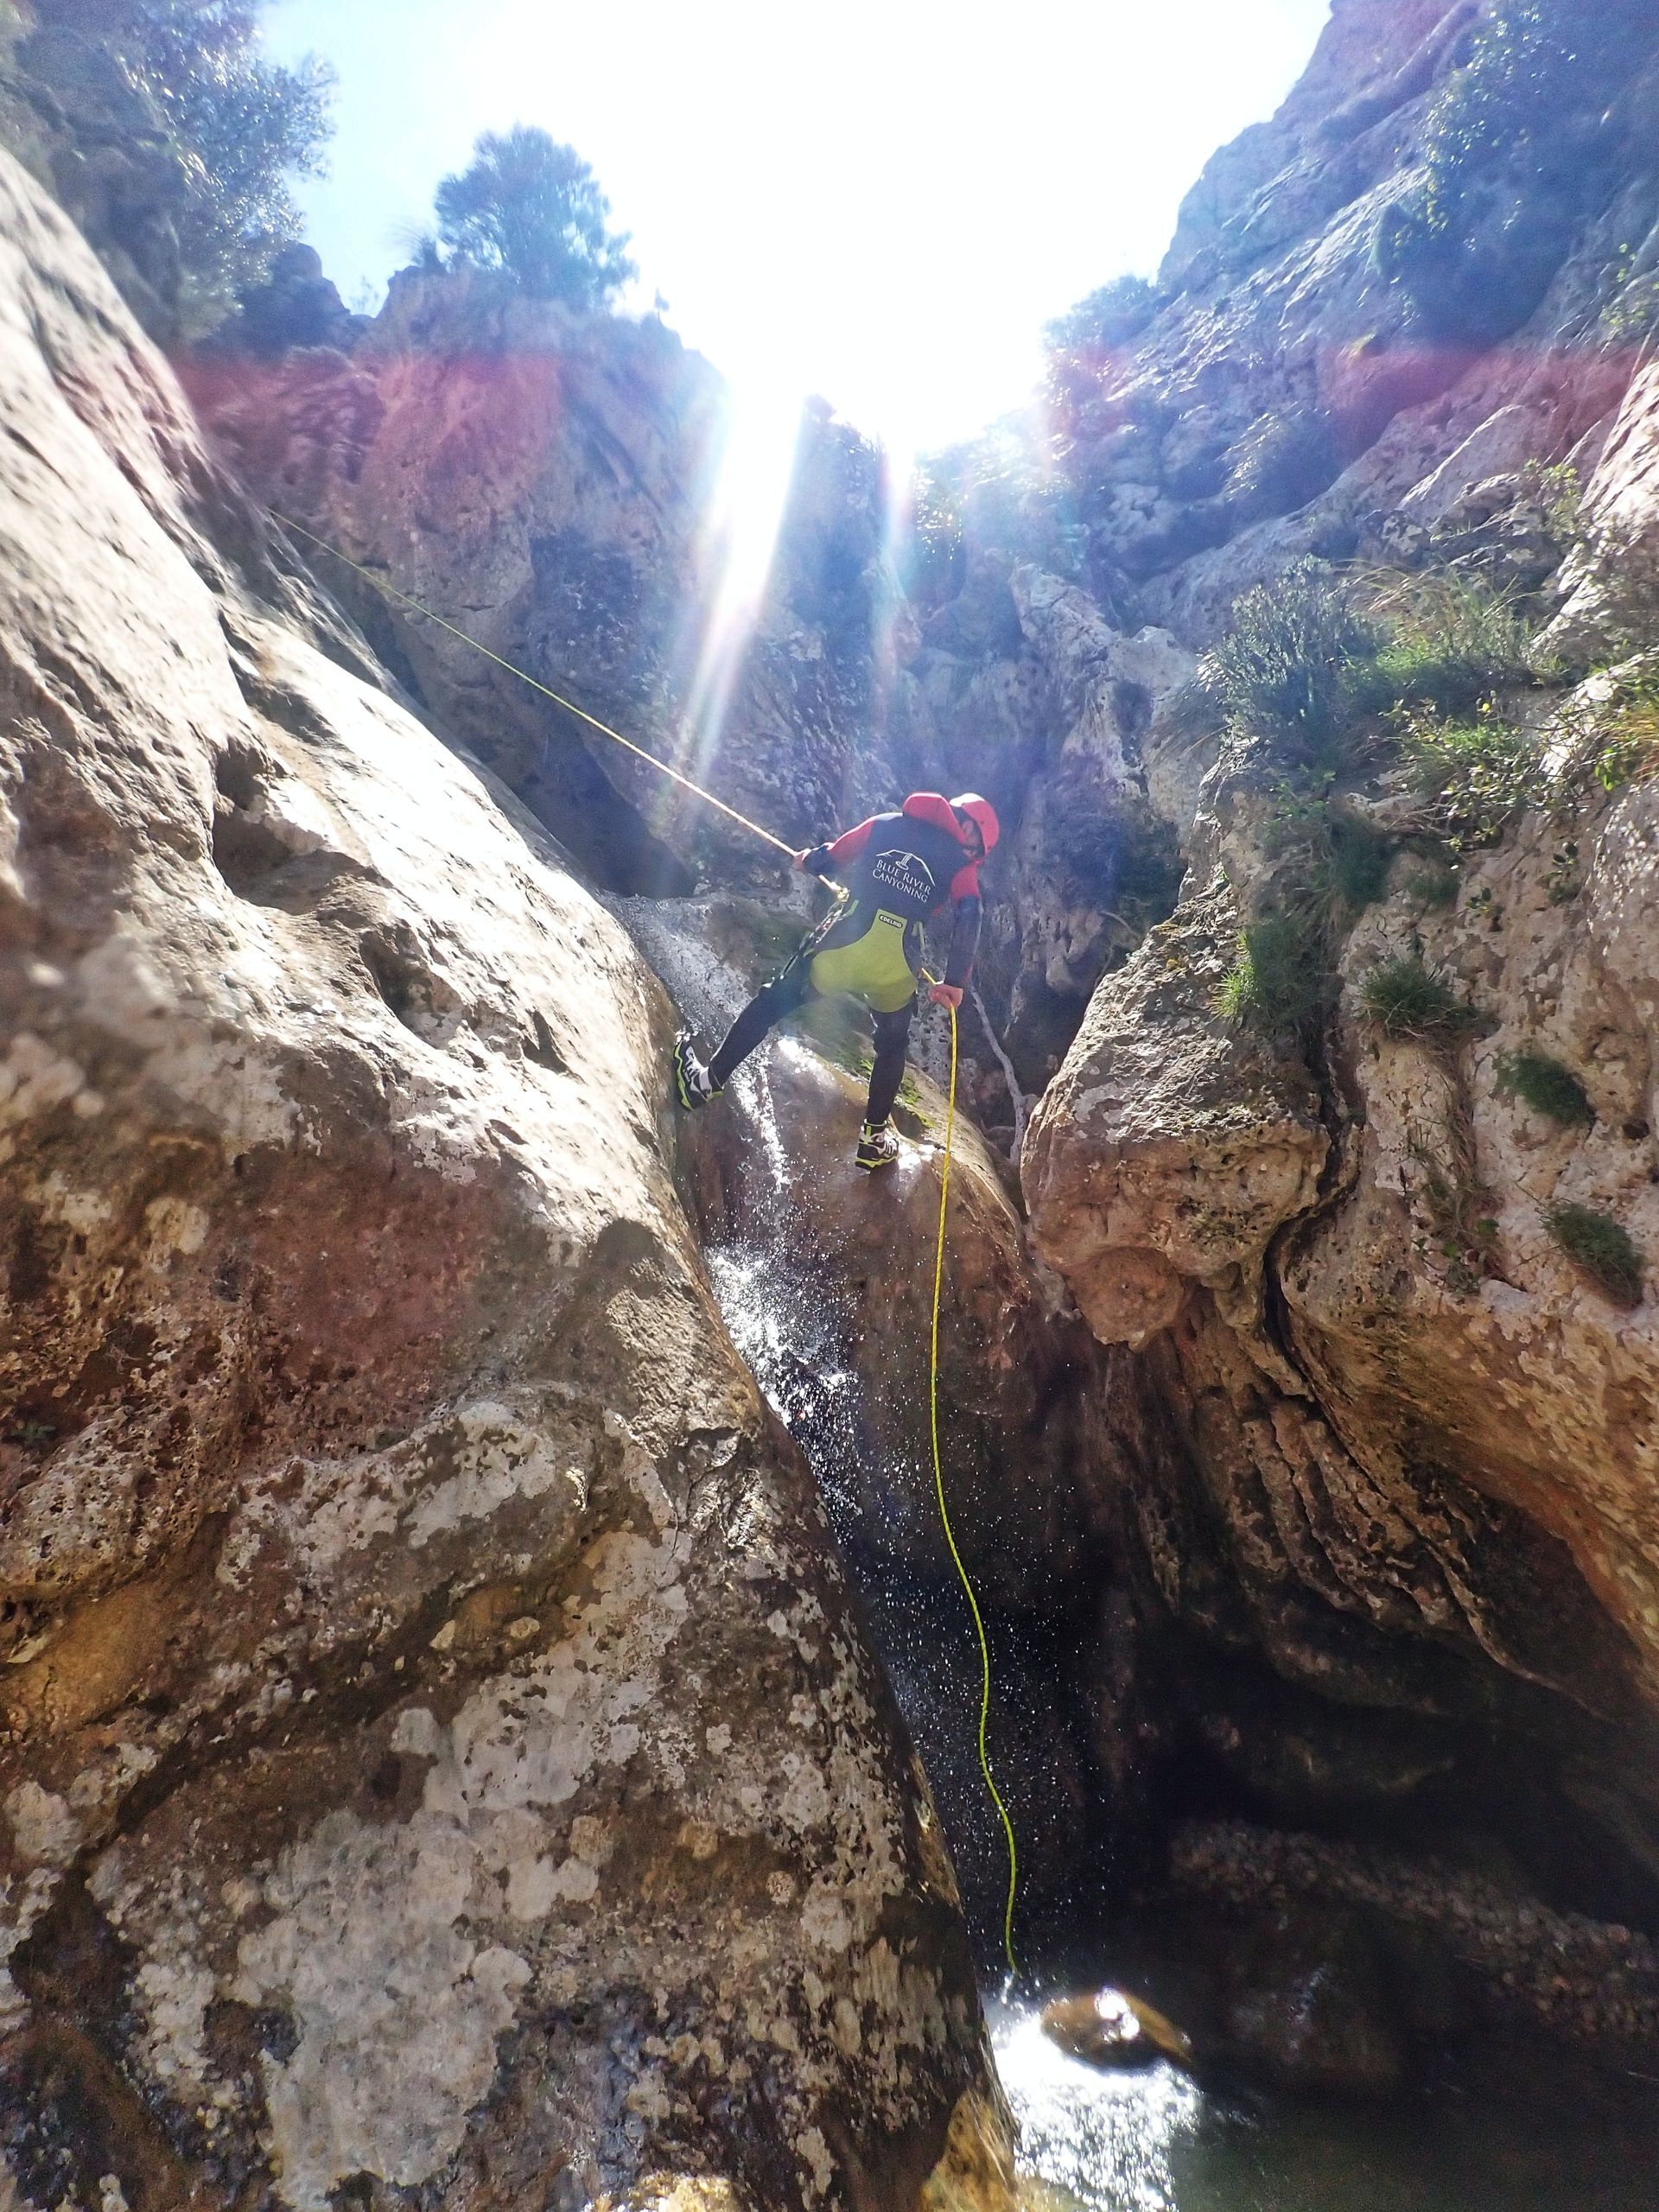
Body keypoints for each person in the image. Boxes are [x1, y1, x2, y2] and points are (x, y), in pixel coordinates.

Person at [672, 791, 1000, 1170]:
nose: (971, 849)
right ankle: (874, 1139)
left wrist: (810, 860)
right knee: (892, 1045)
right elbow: (971, 914)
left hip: (845, 943)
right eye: (974, 844)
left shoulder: (886, 823)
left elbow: (832, 856)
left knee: (772, 1001)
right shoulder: (961, 866)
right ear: (965, 828)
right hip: (897, 962)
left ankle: (706, 1083)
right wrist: (955, 981)